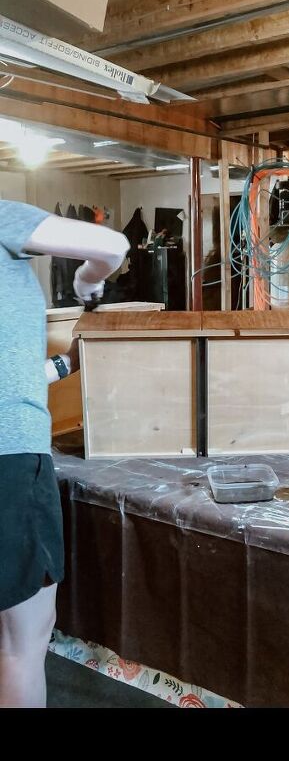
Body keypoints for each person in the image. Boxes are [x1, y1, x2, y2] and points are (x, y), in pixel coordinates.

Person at [0, 200, 129, 708]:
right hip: (8, 462)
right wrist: (84, 284)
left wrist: (63, 366)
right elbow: (112, 246)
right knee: (20, 645)